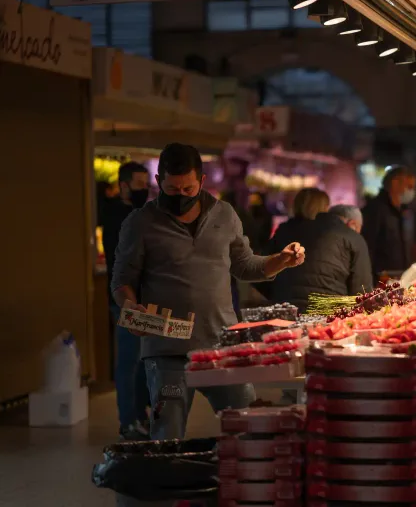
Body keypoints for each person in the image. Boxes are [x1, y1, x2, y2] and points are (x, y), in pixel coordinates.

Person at [111, 143, 305, 440]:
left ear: (201, 181)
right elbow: (122, 279)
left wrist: (281, 260)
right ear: (159, 181)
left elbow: (245, 266)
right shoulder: (140, 223)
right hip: (167, 353)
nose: (180, 197)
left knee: (249, 424)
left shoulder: (225, 215)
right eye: (172, 189)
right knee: (167, 434)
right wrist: (130, 305)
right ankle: (168, 484)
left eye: (187, 189)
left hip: (221, 346)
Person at [101, 161, 151, 441]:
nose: (144, 190)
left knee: (143, 360)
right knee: (130, 360)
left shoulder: (137, 213)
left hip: (142, 299)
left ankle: (139, 415)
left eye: (146, 185)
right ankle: (128, 420)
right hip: (125, 299)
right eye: (139, 185)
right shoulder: (116, 215)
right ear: (123, 186)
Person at [265, 202, 372, 312]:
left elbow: (262, 273)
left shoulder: (289, 230)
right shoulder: (354, 239)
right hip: (328, 315)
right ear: (352, 224)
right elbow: (361, 293)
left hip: (282, 310)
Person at [361, 167, 416, 278]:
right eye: (409, 186)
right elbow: (367, 247)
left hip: (400, 277)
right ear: (395, 183)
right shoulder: (374, 210)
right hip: (380, 280)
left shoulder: (402, 211)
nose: (412, 191)